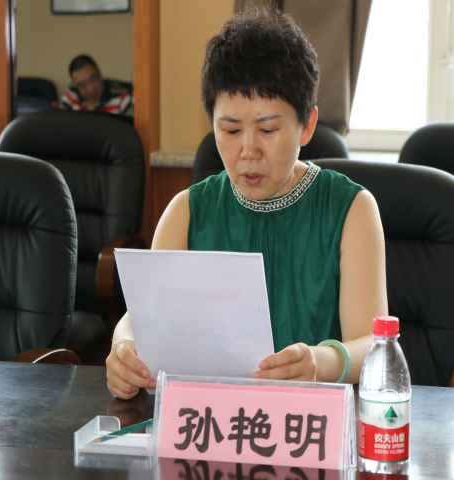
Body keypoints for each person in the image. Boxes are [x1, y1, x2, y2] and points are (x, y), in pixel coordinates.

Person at [106, 10, 388, 399]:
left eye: (268, 129)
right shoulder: (186, 212)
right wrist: (123, 347)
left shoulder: (351, 209)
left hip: (314, 420)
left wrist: (321, 361)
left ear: (307, 125)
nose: (248, 150)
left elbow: (373, 344)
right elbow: (143, 318)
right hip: (213, 418)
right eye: (231, 129)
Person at [60, 54, 132, 116]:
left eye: (93, 79)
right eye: (82, 85)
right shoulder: (70, 98)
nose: (90, 89)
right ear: (75, 85)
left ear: (100, 74)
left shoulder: (123, 98)